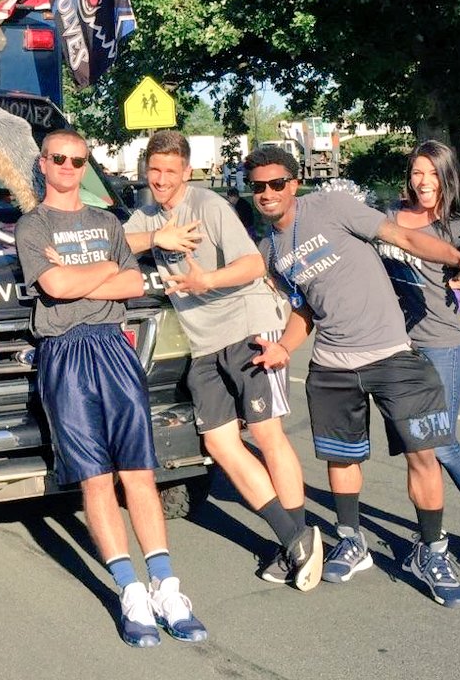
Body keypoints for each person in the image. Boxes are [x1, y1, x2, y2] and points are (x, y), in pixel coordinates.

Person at [243, 146, 460, 608]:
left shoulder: (331, 207)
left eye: (276, 183)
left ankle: (431, 551)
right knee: (342, 459)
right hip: (332, 366)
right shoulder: (269, 249)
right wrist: (284, 347)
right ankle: (351, 541)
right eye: (258, 186)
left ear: (294, 183)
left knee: (423, 454)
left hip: (392, 354)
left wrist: (459, 258)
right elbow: (304, 310)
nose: (267, 192)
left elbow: (404, 238)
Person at [14, 129, 207, 648]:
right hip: (64, 353)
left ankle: (167, 588)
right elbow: (54, 287)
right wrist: (101, 269)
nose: (68, 167)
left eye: (78, 160)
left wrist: (82, 271)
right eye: (59, 158)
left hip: (114, 347)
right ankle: (131, 593)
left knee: (139, 471)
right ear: (43, 163)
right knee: (96, 479)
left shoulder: (106, 222)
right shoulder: (32, 225)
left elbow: (131, 283)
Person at [124, 132, 321, 592]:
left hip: (247, 326)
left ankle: (296, 539)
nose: (161, 180)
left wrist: (207, 281)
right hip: (203, 343)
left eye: (171, 171)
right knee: (218, 442)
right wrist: (155, 237)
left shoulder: (208, 206)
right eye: (154, 170)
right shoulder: (146, 215)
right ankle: (296, 540)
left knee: (267, 434)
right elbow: (117, 244)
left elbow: (252, 265)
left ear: (186, 172)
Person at [376, 140, 460, 570]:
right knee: (416, 446)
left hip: (443, 345)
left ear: (448, 177)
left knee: (441, 442)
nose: (424, 181)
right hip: (397, 346)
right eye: (417, 172)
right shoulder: (389, 218)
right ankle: (431, 533)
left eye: (433, 173)